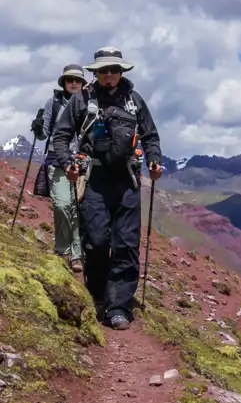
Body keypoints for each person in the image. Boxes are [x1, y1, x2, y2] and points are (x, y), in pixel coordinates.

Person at [51, 47, 163, 330]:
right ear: (96, 73)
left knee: (126, 245)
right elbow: (62, 135)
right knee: (97, 241)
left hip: (127, 181)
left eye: (114, 70)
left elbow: (150, 136)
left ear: (121, 72)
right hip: (95, 180)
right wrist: (67, 162)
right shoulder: (81, 100)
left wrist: (155, 161)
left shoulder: (134, 101)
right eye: (104, 70)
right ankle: (98, 295)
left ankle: (119, 307)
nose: (109, 75)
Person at [32, 64, 87, 273]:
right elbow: (43, 134)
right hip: (56, 160)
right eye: (69, 79)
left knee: (75, 207)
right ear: (64, 82)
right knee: (63, 205)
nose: (73, 83)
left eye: (77, 80)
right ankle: (66, 249)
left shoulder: (89, 104)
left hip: (82, 162)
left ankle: (73, 254)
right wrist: (37, 127)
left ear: (82, 83)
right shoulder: (53, 103)